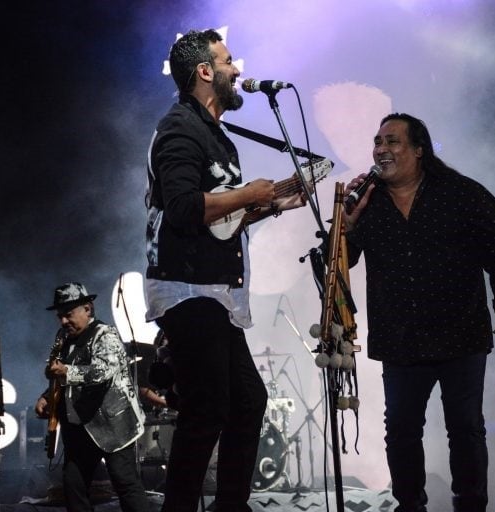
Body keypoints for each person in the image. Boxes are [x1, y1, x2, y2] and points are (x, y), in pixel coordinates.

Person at [343, 113, 495, 512]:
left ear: (419, 150)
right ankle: (409, 505)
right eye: (378, 142)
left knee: (465, 429)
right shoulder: (367, 202)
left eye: (392, 141)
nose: (381, 149)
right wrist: (343, 227)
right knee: (400, 431)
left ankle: (470, 505)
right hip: (399, 336)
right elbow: (335, 266)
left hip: (459, 332)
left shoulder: (462, 194)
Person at [144, 29, 306, 512]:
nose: (239, 69)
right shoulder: (179, 129)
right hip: (185, 289)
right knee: (206, 409)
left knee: (247, 402)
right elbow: (181, 208)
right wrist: (248, 194)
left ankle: (230, 506)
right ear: (205, 72)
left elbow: (221, 219)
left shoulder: (216, 135)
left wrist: (274, 204)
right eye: (229, 60)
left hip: (215, 290)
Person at [35, 282, 148, 512]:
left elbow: (102, 372)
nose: (63, 322)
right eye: (60, 316)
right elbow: (61, 373)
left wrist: (67, 371)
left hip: (113, 424)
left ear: (88, 308)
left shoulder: (105, 335)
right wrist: (47, 396)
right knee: (73, 486)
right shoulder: (63, 338)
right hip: (79, 426)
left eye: (68, 315)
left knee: (124, 482)